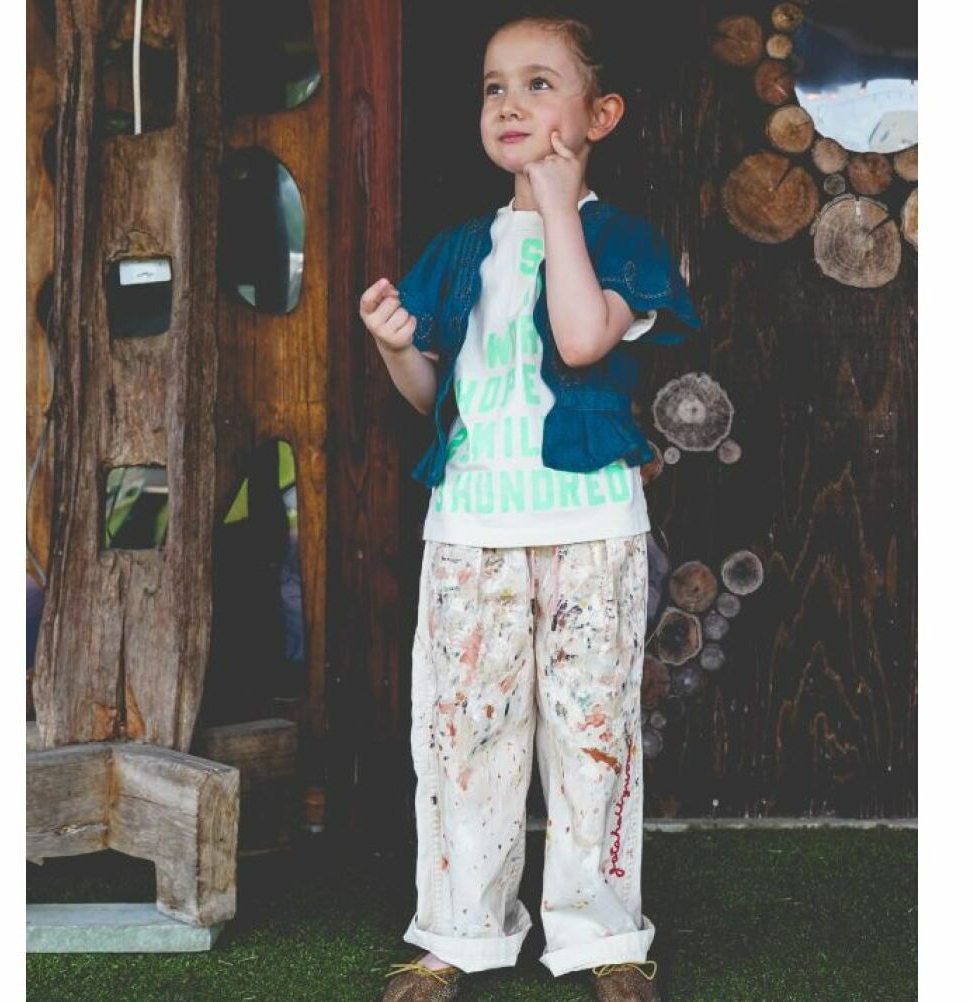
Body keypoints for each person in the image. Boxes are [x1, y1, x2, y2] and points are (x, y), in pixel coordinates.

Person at [359, 13, 698, 1002]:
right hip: (471, 529)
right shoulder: (458, 248)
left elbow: (583, 339)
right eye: (493, 86)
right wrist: (394, 349)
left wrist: (556, 207)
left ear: (601, 115)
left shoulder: (621, 240)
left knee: (591, 733)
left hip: (589, 528)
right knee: (466, 734)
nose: (509, 102)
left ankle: (601, 936)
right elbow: (439, 399)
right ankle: (459, 933)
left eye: (539, 83)